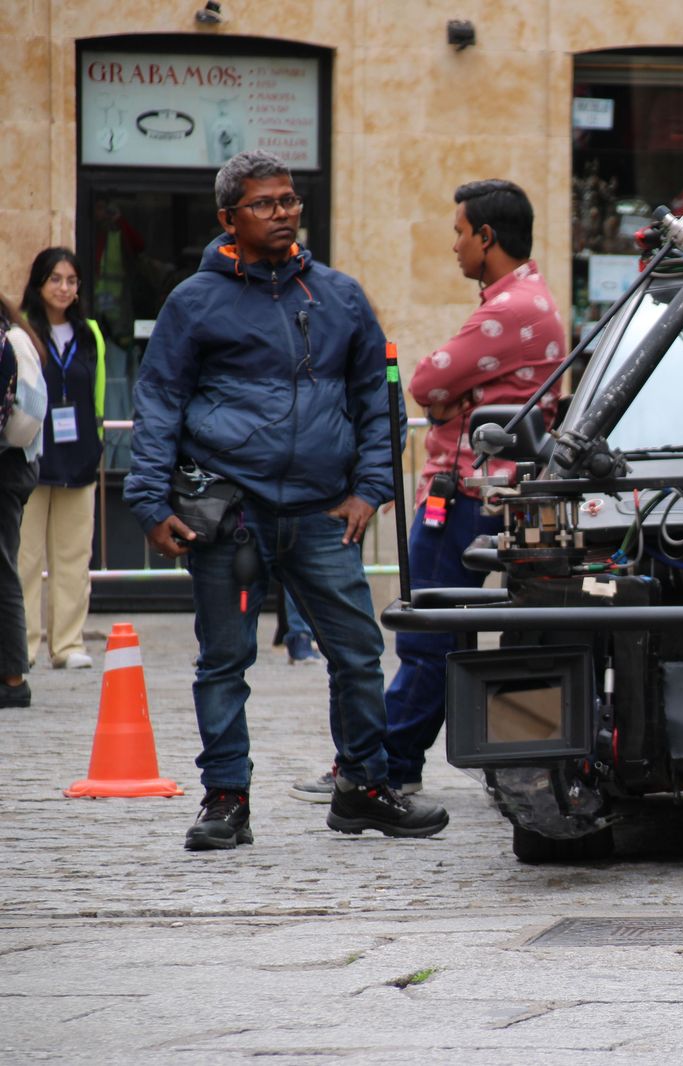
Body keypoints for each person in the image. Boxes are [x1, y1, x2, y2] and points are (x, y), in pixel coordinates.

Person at [124, 149, 449, 850]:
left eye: (290, 200)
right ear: (227, 219)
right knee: (224, 661)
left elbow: (376, 397)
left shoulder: (340, 295)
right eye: (265, 204)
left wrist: (370, 489)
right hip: (230, 515)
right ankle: (225, 801)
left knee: (360, 654)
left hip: (321, 512)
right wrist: (151, 503)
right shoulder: (193, 302)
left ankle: (363, 788)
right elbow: (158, 404)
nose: (283, 213)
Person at [288, 179, 564, 803]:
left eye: (461, 232)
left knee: (428, 631)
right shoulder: (527, 300)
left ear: (487, 237)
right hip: (496, 489)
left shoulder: (510, 308)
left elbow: (424, 381)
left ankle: (387, 762)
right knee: (491, 634)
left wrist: (455, 401)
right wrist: (459, 398)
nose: (454, 246)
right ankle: (481, 758)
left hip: (470, 490)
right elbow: (444, 389)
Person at [18, 249, 104, 671]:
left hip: (79, 458)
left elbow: (98, 395)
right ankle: (24, 645)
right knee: (25, 558)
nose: (64, 288)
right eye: (56, 279)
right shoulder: (21, 330)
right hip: (30, 458)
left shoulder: (90, 334)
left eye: (72, 280)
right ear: (38, 284)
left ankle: (68, 644)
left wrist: (99, 442)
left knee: (73, 558)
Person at [1, 296, 47, 708]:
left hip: (6, 465)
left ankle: (13, 678)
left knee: (3, 569)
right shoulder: (17, 335)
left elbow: (15, 411)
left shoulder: (7, 339)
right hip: (17, 462)